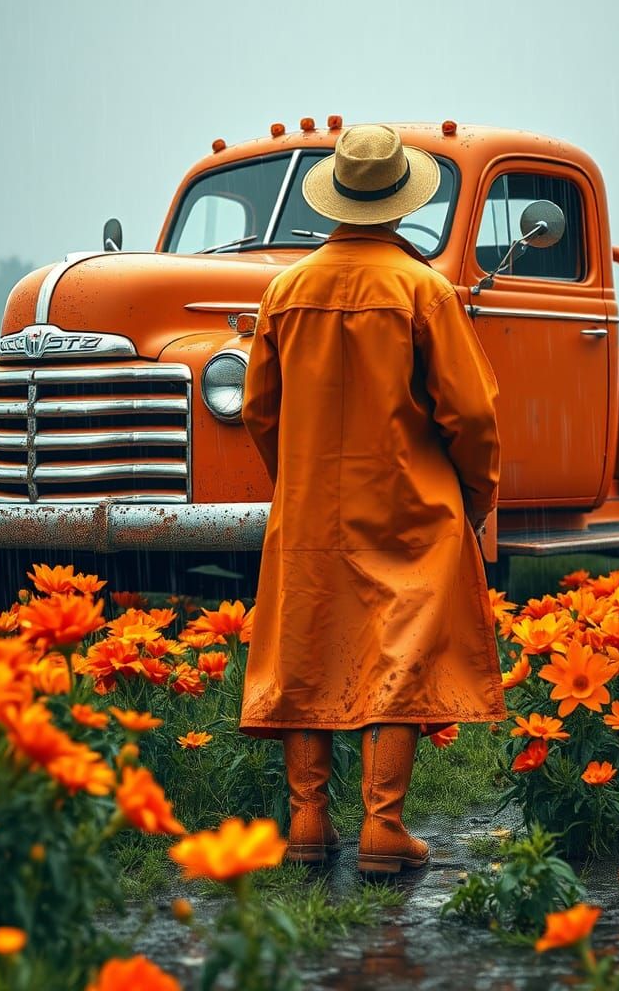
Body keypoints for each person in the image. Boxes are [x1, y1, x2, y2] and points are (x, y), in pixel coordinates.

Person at [239, 123, 505, 874]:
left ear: (336, 200)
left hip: (311, 507)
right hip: (410, 504)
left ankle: (308, 824)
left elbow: (259, 410)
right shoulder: (423, 290)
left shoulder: (284, 290)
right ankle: (383, 828)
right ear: (398, 202)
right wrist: (473, 498)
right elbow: (472, 414)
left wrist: (297, 476)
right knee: (401, 647)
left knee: (308, 647)